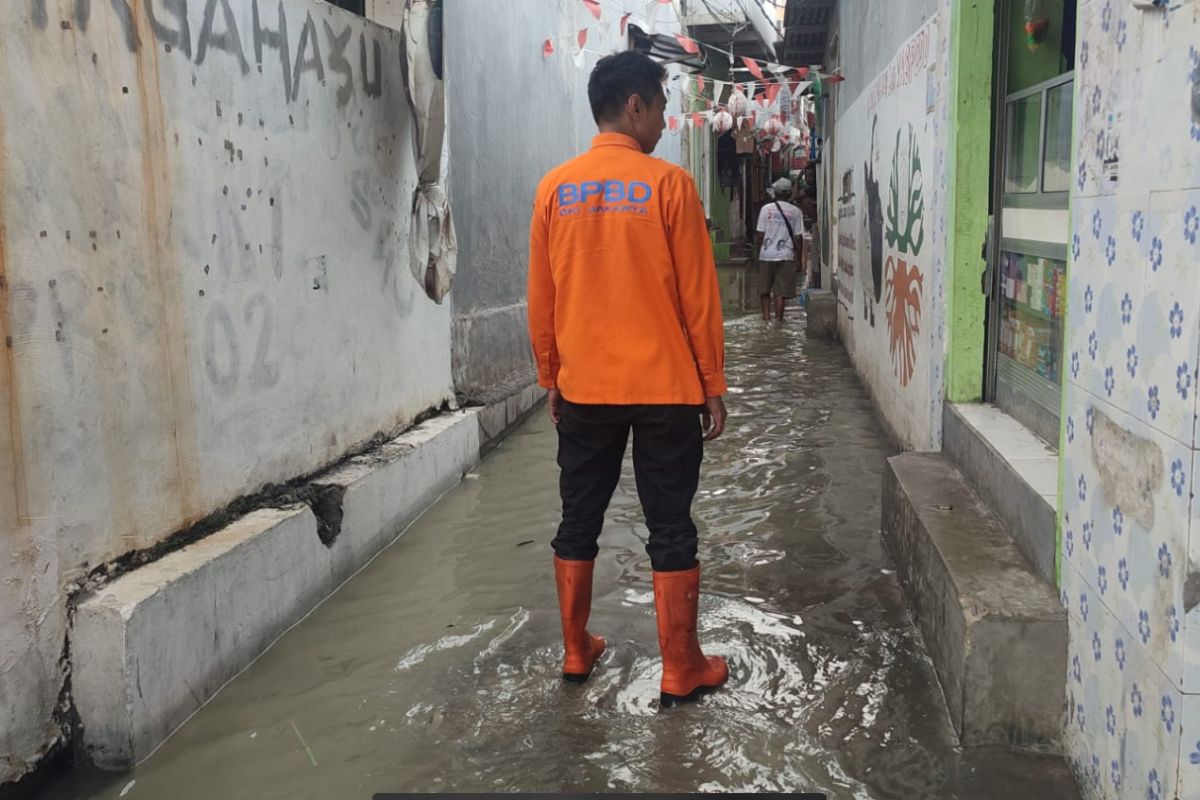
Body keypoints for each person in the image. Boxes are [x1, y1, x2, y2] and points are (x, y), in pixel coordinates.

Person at [526, 50, 729, 707]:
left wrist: (550, 375)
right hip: (666, 389)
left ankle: (576, 649)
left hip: (585, 390)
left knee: (577, 517)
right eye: (663, 107)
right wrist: (713, 382)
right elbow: (699, 298)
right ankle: (681, 667)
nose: (668, 121)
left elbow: (542, 297)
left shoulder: (554, 188)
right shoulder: (670, 186)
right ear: (635, 105)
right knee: (670, 523)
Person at [755, 177, 805, 321]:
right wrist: (799, 260)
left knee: (764, 290)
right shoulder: (795, 211)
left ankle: (765, 318)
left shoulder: (765, 209)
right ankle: (778, 321)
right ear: (789, 193)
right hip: (785, 256)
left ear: (775, 193)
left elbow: (759, 234)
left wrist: (759, 253)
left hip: (766, 255)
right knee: (781, 292)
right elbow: (799, 238)